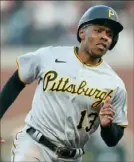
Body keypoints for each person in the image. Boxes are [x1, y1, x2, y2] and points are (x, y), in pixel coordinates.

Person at [0, 5, 128, 162]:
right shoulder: (50, 56)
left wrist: (107, 127)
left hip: (72, 156)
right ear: (82, 32)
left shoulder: (115, 84)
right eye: (98, 30)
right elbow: (15, 82)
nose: (105, 37)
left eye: (109, 34)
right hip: (35, 145)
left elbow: (113, 140)